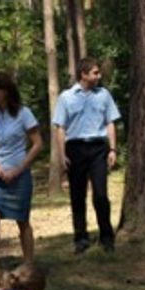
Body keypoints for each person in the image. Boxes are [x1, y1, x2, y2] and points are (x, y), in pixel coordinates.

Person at [0, 72, 43, 284]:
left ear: (6, 91)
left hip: (19, 174)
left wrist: (19, 168)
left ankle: (28, 264)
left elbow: (37, 144)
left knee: (22, 220)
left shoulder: (24, 114)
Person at [52, 57, 121, 254]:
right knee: (77, 195)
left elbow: (110, 122)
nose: (99, 76)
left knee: (101, 195)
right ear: (83, 74)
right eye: (95, 73)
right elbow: (60, 127)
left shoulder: (104, 95)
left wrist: (113, 149)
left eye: (98, 73)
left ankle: (106, 236)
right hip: (75, 149)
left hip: (98, 149)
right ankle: (80, 238)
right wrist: (62, 154)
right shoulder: (66, 97)